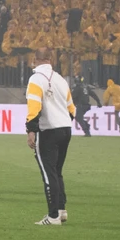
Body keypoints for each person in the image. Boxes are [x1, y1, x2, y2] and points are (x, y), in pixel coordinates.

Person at [25, 48, 74, 225]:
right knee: (57, 171)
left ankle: (53, 216)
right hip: (65, 129)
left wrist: (31, 130)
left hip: (49, 131)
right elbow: (71, 108)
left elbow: (34, 106)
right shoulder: (61, 79)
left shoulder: (35, 79)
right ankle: (61, 210)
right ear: (50, 59)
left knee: (48, 173)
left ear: (34, 59)